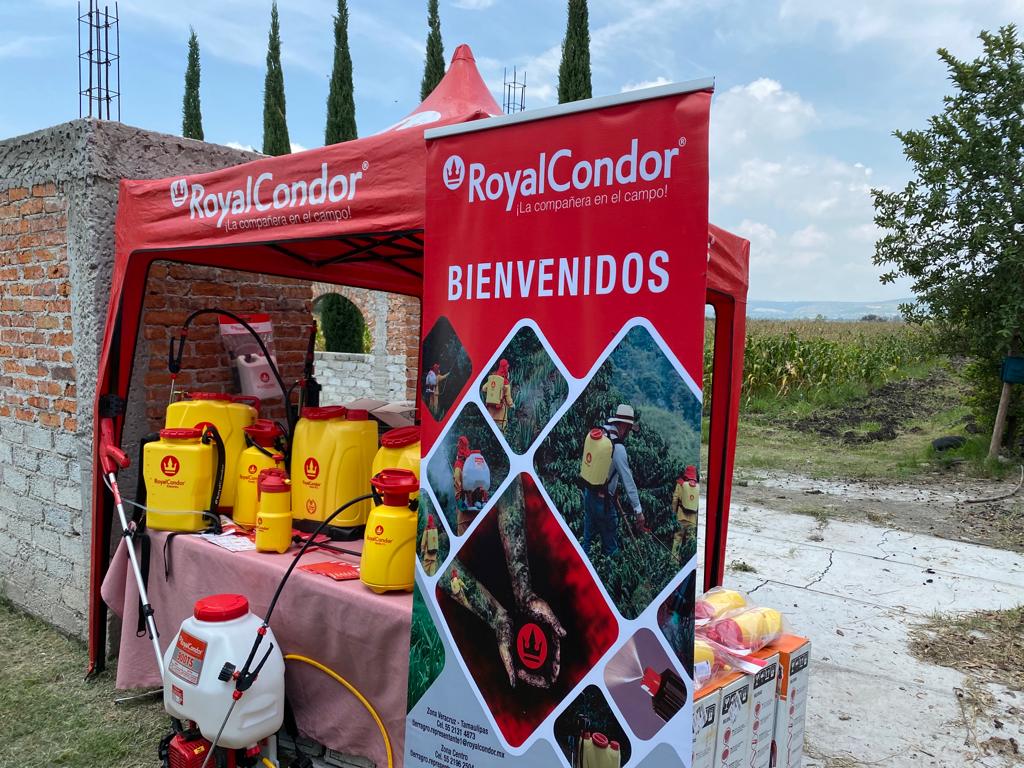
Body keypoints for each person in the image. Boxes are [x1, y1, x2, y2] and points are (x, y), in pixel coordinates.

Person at [439, 480, 566, 690]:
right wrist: (497, 617)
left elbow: (509, 486)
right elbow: (431, 557)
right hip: (460, 641)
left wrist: (523, 593)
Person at [582, 404, 644, 556]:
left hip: (588, 493)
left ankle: (583, 563)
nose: (628, 433)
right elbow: (628, 482)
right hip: (602, 502)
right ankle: (611, 568)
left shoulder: (601, 432)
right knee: (611, 547)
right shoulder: (618, 448)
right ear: (624, 426)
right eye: (629, 429)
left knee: (587, 540)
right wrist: (638, 511)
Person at [671, 466, 699, 564]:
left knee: (677, 539)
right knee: (690, 541)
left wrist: (673, 513)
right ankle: (689, 563)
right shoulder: (698, 487)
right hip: (693, 519)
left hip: (681, 517)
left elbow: (675, 500)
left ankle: (674, 562)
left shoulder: (680, 484)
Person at [482, 358, 515, 432]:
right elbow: (508, 399)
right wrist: (512, 405)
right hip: (501, 416)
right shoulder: (505, 382)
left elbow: (484, 388)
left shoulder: (492, 379)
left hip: (490, 413)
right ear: (506, 368)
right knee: (502, 431)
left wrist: (493, 391)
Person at [452, 436, 475, 535]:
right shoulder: (471, 462)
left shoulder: (459, 466)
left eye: (459, 443)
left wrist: (460, 502)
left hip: (465, 511)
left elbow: (457, 484)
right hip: (473, 507)